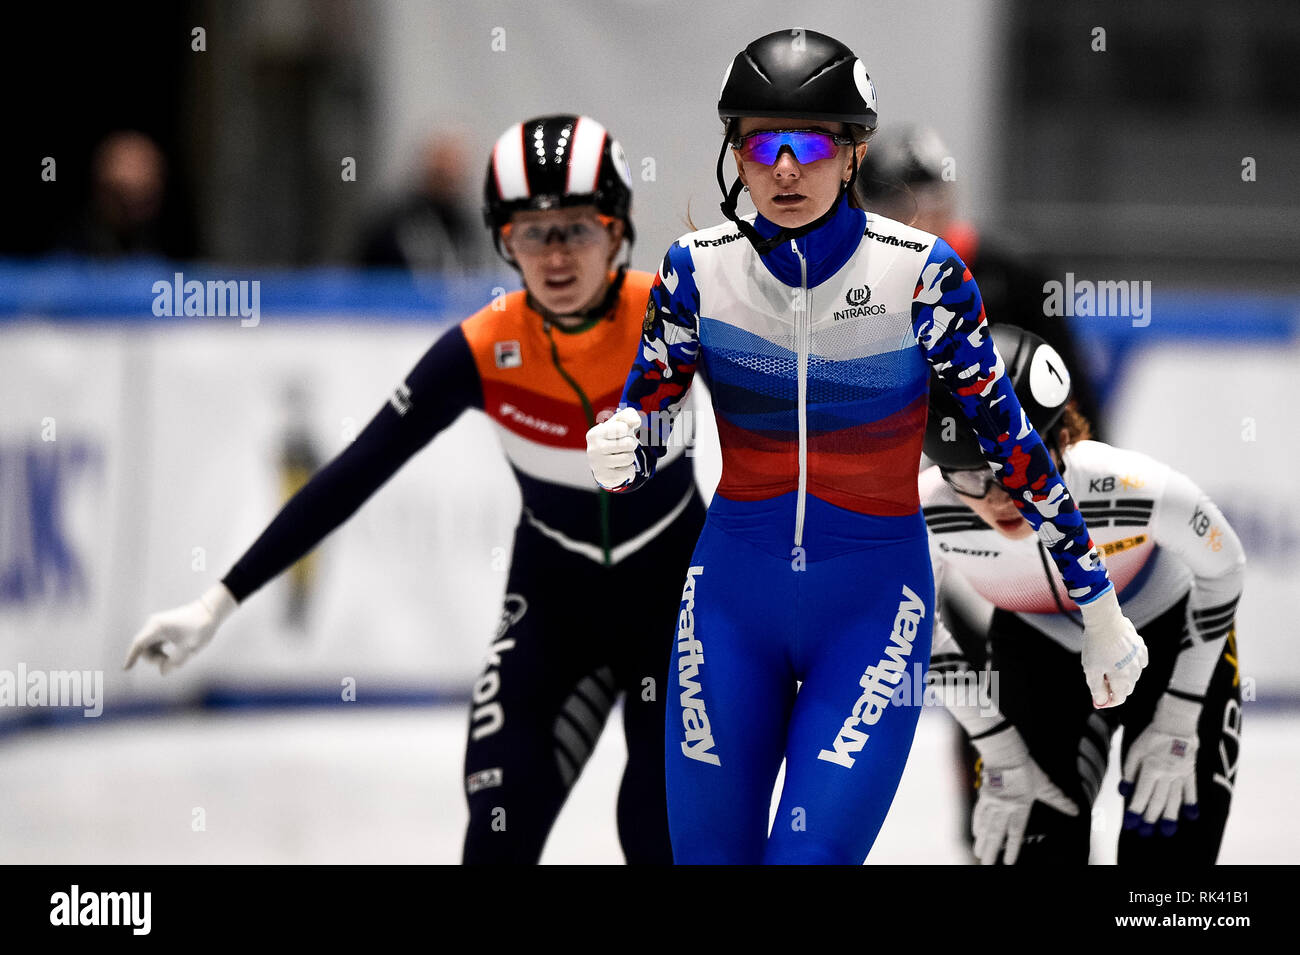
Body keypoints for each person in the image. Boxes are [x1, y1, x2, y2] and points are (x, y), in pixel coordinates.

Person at [586, 29, 1147, 865]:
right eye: (757, 142)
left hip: (872, 606)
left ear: (852, 154)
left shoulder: (920, 274)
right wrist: (625, 445)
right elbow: (648, 411)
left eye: (807, 144)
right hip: (730, 602)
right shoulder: (694, 272)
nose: (782, 168)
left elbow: (1016, 445)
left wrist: (1098, 607)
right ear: (733, 151)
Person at [125, 115, 707, 865]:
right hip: (555, 608)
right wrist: (220, 600)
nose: (556, 256)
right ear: (502, 239)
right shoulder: (480, 348)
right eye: (533, 233)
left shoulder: (671, 313)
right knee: (499, 822)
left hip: (674, 608)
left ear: (618, 230)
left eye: (577, 230)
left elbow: (785, 420)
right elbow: (351, 474)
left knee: (656, 831)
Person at [922, 325, 1245, 865]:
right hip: (1035, 652)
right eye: (972, 478)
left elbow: (1226, 568)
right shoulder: (927, 512)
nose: (1001, 498)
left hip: (1166, 639)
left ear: (1060, 439)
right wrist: (995, 745)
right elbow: (904, 623)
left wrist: (1182, 712)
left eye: (1018, 469)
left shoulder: (1130, 485)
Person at [856, 124, 1104, 433]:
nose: (921, 217)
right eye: (901, 205)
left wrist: (1085, 450)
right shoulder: (860, 282)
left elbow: (1067, 381)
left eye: (932, 199)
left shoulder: (1015, 273)